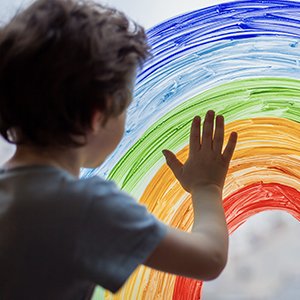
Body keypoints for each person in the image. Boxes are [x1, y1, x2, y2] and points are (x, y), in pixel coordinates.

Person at [0, 0, 238, 299]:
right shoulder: (84, 206)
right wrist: (206, 186)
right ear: (97, 116)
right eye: (126, 105)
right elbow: (209, 258)